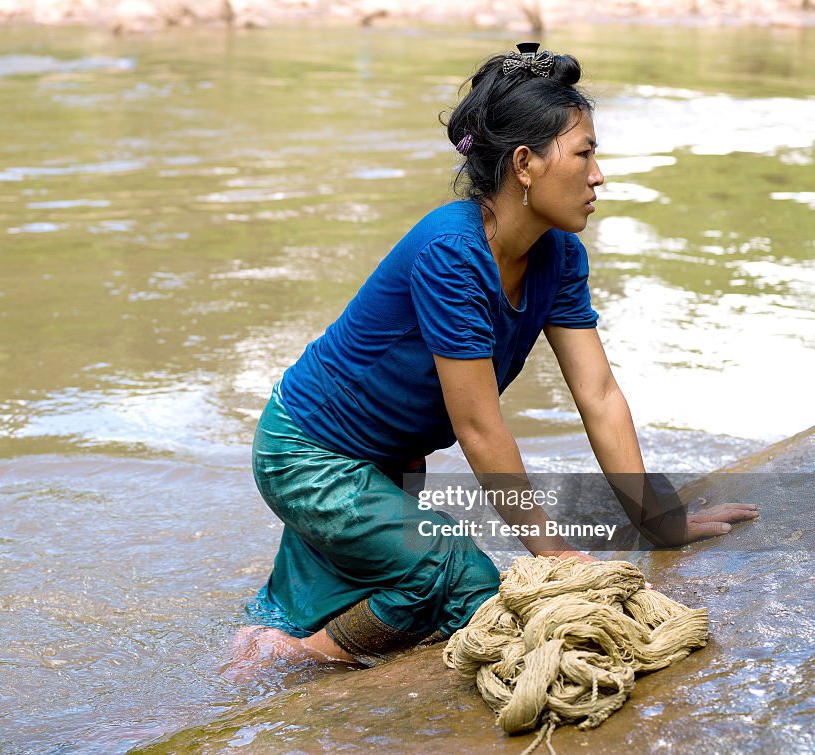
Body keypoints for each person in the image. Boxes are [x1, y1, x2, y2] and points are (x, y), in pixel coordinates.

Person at [234, 43, 758, 670]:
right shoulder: (451, 253)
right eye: (584, 154)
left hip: (386, 457)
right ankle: (290, 658)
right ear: (524, 164)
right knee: (456, 574)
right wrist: (554, 553)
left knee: (447, 596)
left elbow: (599, 394)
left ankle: (273, 639)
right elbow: (479, 428)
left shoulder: (559, 254)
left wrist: (657, 520)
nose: (598, 176)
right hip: (310, 454)